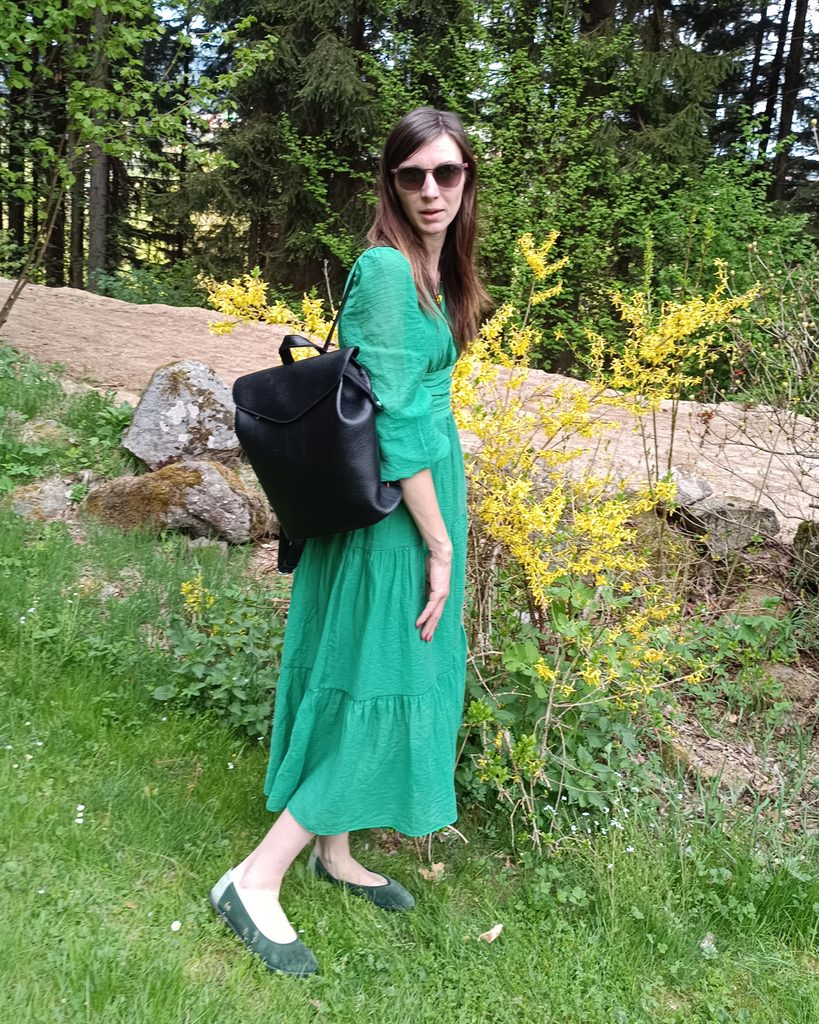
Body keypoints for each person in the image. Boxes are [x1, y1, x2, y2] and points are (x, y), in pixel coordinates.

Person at [210, 107, 487, 976]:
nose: (431, 190)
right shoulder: (385, 269)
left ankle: (333, 851)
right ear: (390, 184)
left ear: (466, 180)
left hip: (415, 497)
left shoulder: (435, 272)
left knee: (375, 665)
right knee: (383, 674)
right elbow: (394, 422)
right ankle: (254, 879)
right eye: (413, 175)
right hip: (394, 514)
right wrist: (439, 545)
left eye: (446, 173)